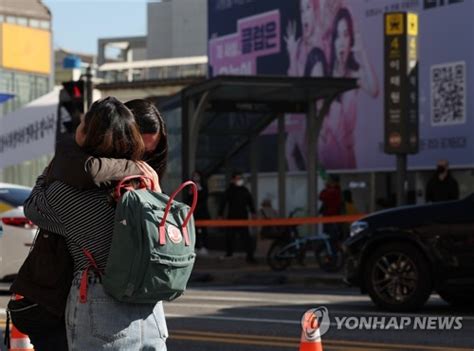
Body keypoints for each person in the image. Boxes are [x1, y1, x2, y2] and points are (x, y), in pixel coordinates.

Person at [23, 97, 168, 350]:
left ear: (88, 137)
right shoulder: (146, 184)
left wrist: (51, 170)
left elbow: (33, 207)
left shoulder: (67, 195)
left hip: (101, 304)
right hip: (151, 312)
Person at [318, 7, 379, 169]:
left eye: (346, 35)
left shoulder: (354, 76)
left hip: (347, 156)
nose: (341, 41)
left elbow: (374, 89)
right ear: (333, 42)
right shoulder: (327, 76)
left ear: (351, 39)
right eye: (337, 36)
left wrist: (362, 52)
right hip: (327, 156)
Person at [218, 171, 257, 263]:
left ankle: (250, 256)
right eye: (237, 178)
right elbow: (223, 203)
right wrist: (220, 214)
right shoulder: (229, 190)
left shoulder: (245, 190)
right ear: (233, 180)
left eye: (241, 178)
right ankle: (229, 254)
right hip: (232, 217)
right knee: (229, 237)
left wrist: (253, 212)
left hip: (243, 217)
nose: (240, 180)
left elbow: (250, 202)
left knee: (246, 238)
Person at [187, 170, 210, 255]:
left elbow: (204, 198)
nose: (196, 178)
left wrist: (199, 189)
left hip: (202, 212)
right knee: (194, 230)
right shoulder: (190, 187)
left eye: (197, 176)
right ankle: (196, 246)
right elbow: (188, 200)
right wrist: (190, 192)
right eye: (194, 176)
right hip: (193, 212)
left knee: (203, 230)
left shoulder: (203, 186)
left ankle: (204, 246)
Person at [319, 175, 343, 242]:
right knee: (330, 236)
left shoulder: (334, 191)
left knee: (331, 237)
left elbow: (321, 196)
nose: (328, 182)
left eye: (329, 181)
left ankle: (332, 251)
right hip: (330, 218)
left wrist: (327, 187)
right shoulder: (337, 190)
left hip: (331, 218)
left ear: (333, 182)